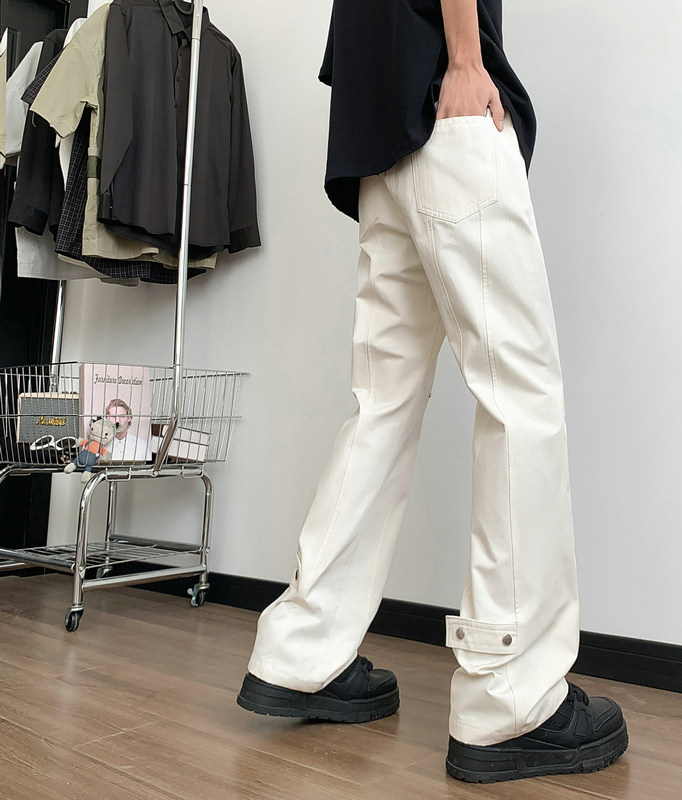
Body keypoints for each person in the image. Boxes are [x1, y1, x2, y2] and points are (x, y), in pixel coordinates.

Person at [237, 0, 628, 783]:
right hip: (443, 101)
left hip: (380, 133)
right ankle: (510, 694)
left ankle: (302, 650)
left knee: (382, 405)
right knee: (520, 398)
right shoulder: (454, 73)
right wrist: (465, 60)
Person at [104, 398, 151, 463]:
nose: (117, 421)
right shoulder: (100, 446)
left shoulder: (142, 445)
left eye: (122, 416)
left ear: (129, 418)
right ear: (107, 419)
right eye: (113, 416)